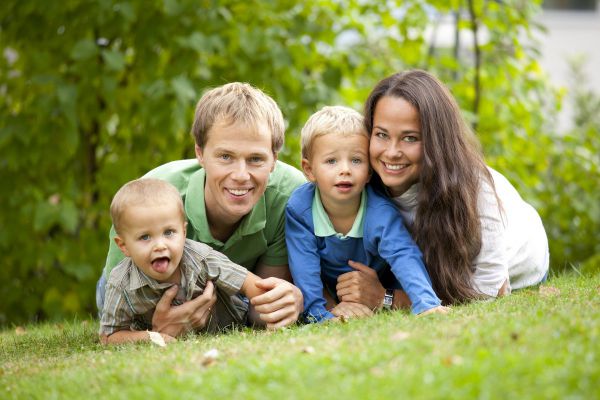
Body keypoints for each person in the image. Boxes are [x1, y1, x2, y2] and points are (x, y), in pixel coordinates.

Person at [97, 82, 306, 335]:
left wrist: (285, 301)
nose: (241, 175)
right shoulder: (149, 200)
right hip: (141, 289)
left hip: (231, 295)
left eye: (255, 159)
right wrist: (157, 328)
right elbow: (120, 312)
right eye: (225, 157)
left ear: (274, 160)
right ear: (200, 153)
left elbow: (256, 308)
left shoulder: (289, 197)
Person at [337, 69, 549, 308]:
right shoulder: (360, 179)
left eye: (410, 138)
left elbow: (490, 288)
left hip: (525, 260)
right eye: (382, 134)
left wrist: (387, 298)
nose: (392, 152)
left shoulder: (476, 188)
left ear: (436, 140)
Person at [285, 106, 448, 323]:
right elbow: (303, 267)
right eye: (331, 161)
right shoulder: (300, 209)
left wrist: (426, 303)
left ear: (370, 171)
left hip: (379, 284)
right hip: (328, 291)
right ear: (309, 169)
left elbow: (403, 254)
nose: (345, 170)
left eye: (356, 160)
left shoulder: (379, 210)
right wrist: (320, 315)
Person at [100, 179, 267, 345]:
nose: (160, 245)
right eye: (145, 237)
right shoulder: (121, 281)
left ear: (184, 232)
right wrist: (155, 338)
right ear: (124, 246)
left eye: (169, 232)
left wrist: (273, 311)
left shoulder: (201, 258)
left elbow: (250, 284)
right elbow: (109, 336)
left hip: (233, 322)